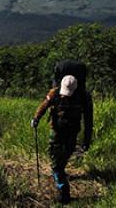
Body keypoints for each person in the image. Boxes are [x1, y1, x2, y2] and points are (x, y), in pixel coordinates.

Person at [31, 74, 93, 204]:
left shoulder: (82, 97)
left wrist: (87, 140)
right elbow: (44, 105)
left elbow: (88, 119)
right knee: (54, 158)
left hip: (72, 132)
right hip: (56, 131)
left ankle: (60, 173)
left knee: (66, 155)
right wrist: (36, 118)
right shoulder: (54, 93)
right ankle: (63, 189)